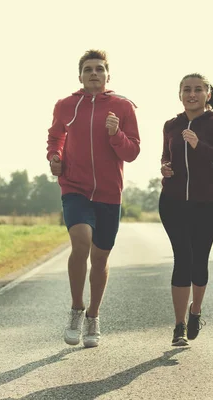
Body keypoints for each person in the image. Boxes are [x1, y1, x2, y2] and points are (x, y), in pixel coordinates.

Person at [46, 49, 140, 348]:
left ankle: (93, 316)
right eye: (88, 69)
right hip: (74, 186)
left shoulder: (123, 107)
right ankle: (76, 308)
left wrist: (115, 134)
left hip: (110, 193)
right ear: (80, 76)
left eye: (99, 69)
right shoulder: (65, 105)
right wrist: (55, 156)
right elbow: (55, 136)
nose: (94, 73)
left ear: (107, 75)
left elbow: (132, 152)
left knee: (100, 258)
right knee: (81, 241)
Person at [159, 73, 213, 346]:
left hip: (206, 202)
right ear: (179, 94)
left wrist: (199, 145)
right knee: (182, 258)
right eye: (186, 90)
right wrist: (165, 168)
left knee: (198, 261)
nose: (192, 94)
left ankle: (196, 311)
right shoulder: (171, 125)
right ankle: (179, 326)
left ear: (207, 94)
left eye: (197, 90)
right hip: (172, 202)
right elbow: (166, 156)